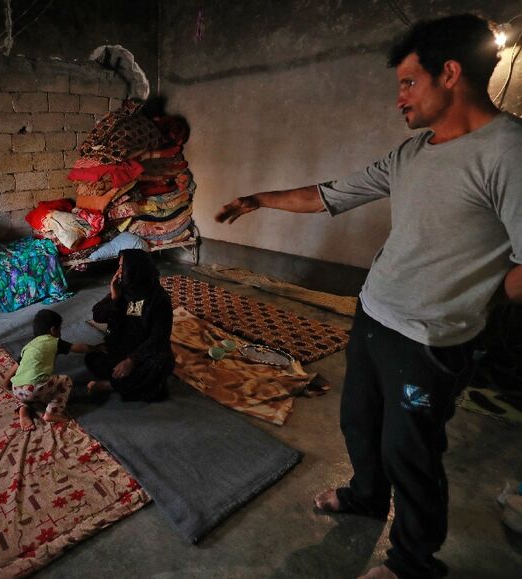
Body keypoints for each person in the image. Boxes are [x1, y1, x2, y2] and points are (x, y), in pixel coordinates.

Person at [215, 14, 522, 579]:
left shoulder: (508, 152)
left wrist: (477, 296)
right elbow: (331, 195)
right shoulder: (411, 155)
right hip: (375, 314)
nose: (399, 99)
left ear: (449, 73)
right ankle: (364, 495)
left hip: (429, 341)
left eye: (408, 82)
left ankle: (412, 562)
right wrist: (258, 198)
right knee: (359, 422)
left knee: (414, 454)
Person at [86, 248, 175, 401]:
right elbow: (98, 316)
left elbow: (159, 337)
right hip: (121, 346)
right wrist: (113, 298)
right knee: (92, 357)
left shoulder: (158, 299)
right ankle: (128, 383)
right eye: (119, 266)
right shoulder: (123, 290)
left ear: (136, 270)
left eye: (122, 267)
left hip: (144, 351)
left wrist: (131, 361)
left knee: (161, 363)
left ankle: (111, 385)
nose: (119, 272)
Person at [2, 309, 95, 431]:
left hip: (17, 388)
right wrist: (93, 348)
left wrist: (6, 382)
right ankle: (52, 412)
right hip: (34, 389)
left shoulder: (29, 345)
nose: (60, 333)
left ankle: (23, 410)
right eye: (60, 329)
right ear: (53, 330)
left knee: (32, 390)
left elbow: (17, 365)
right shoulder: (54, 341)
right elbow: (77, 347)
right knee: (65, 380)